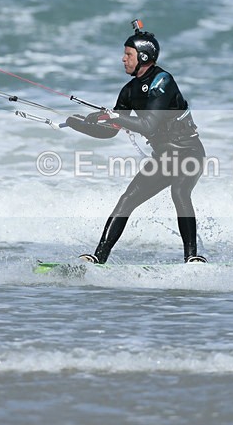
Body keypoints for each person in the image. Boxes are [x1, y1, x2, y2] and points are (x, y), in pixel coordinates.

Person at [75, 20, 207, 264]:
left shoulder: (162, 82)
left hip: (188, 152)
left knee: (180, 192)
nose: (123, 59)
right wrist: (84, 124)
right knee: (128, 199)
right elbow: (111, 131)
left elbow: (148, 126)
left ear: (144, 56)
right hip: (164, 158)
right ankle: (98, 258)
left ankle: (193, 257)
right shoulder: (128, 91)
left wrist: (113, 116)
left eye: (128, 54)